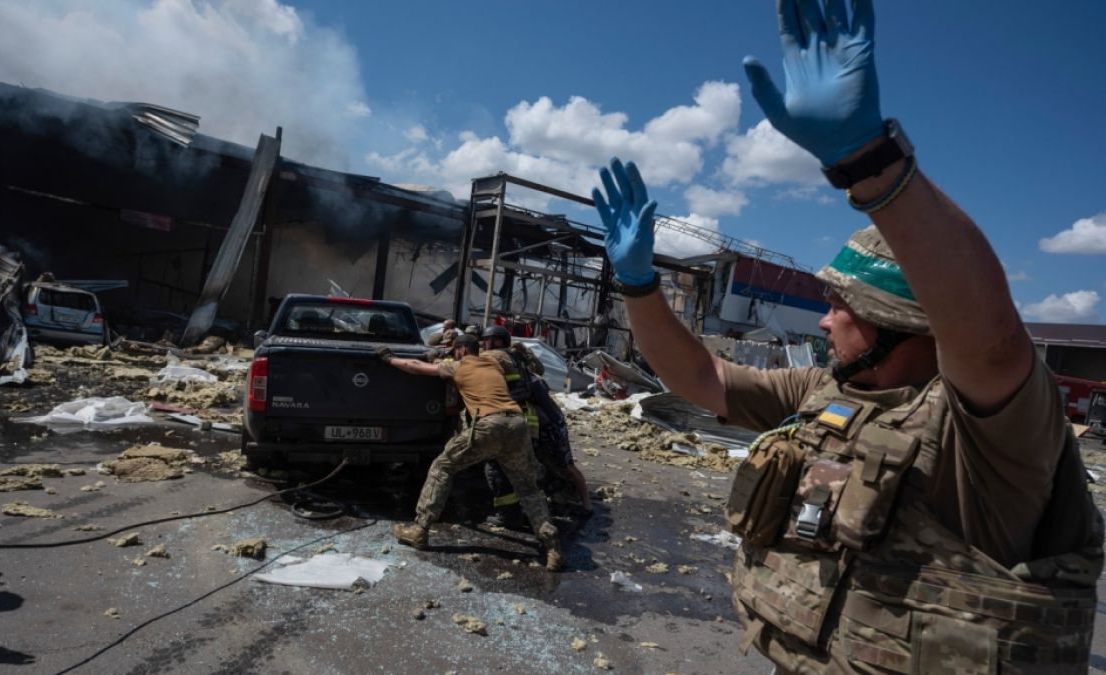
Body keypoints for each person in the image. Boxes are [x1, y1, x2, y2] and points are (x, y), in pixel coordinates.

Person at [591, 2, 1101, 672]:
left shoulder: (987, 432)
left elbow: (993, 338)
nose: (824, 320)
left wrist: (873, 161)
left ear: (902, 326)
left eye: (840, 306)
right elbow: (700, 379)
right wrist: (638, 287)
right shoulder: (825, 390)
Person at [378, 335, 565, 571]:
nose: (454, 354)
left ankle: (420, 529)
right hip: (518, 425)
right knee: (527, 488)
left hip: (489, 425)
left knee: (442, 467)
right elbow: (514, 357)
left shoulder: (458, 366)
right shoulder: (494, 360)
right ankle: (553, 547)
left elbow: (415, 366)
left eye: (456, 350)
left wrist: (389, 358)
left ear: (462, 350)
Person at [479, 326, 593, 526]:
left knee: (566, 465)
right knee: (536, 466)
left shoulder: (512, 362)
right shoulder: (512, 362)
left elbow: (525, 389)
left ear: (497, 341)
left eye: (487, 340)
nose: (484, 345)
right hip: (535, 423)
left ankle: (587, 506)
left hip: (550, 423)